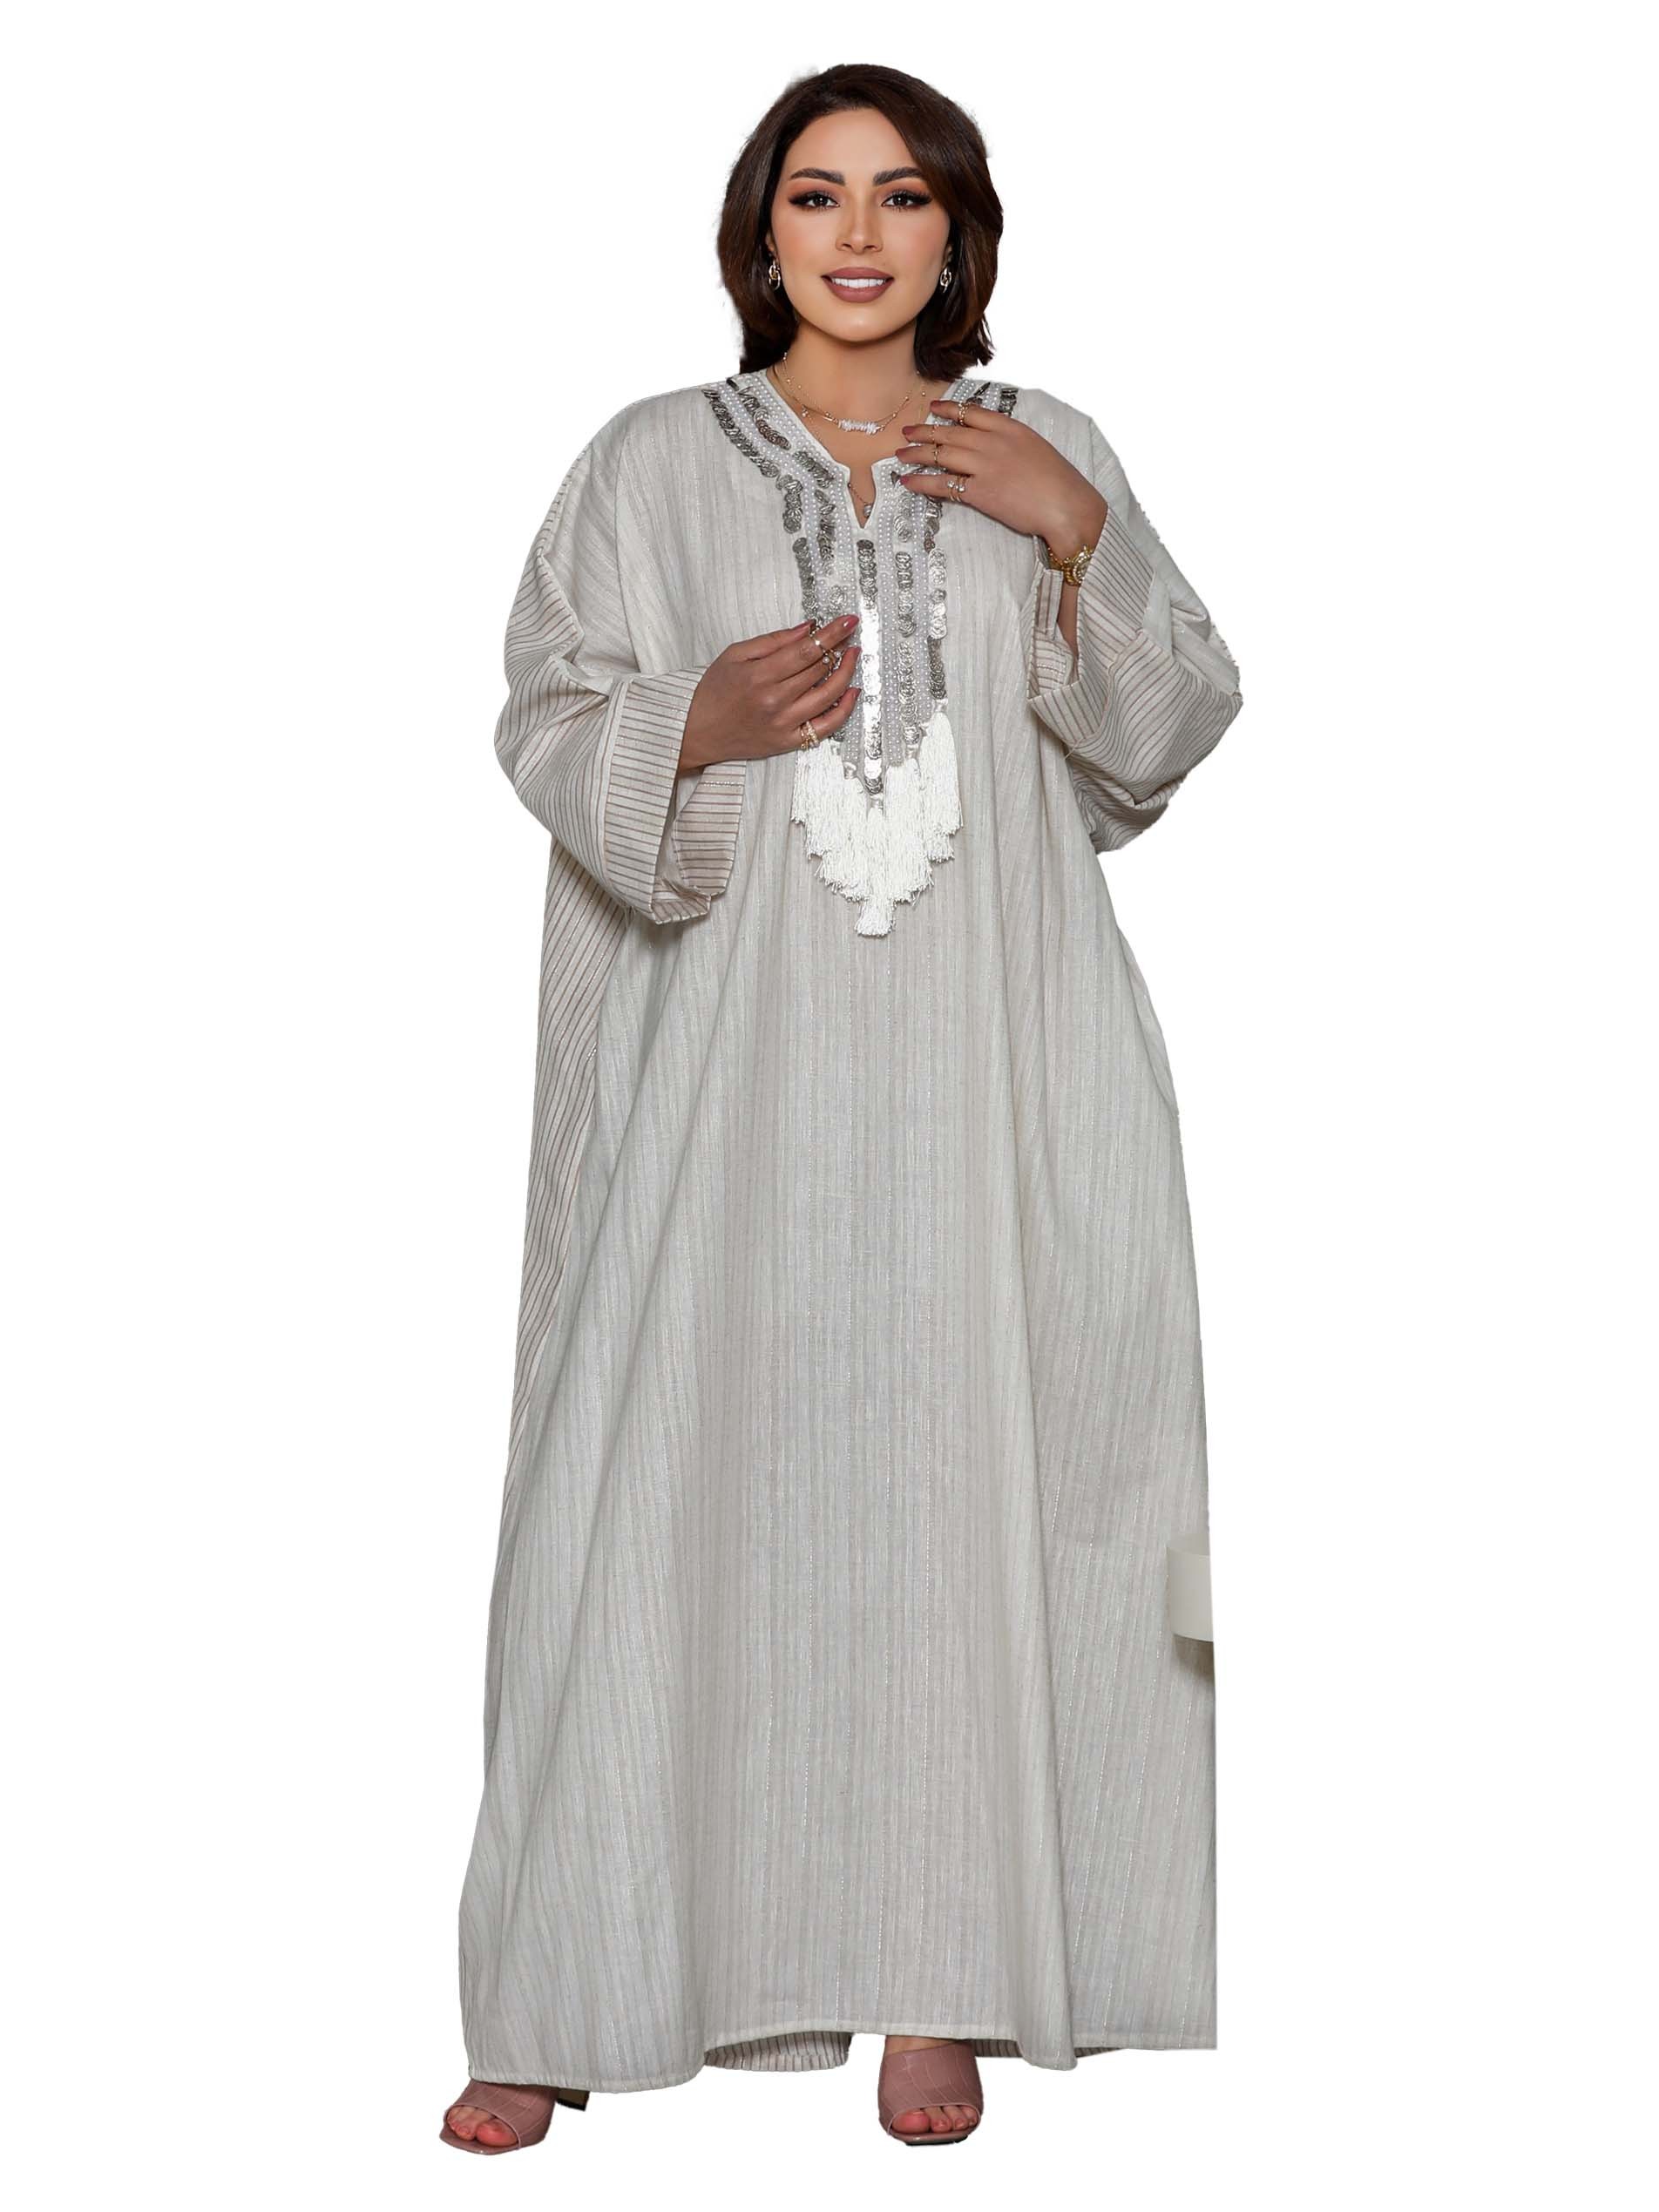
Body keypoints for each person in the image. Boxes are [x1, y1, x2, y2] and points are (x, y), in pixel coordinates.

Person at [442, 61, 1243, 2155]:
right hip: (727, 1076)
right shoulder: (649, 463)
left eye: (902, 196)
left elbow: (1159, 736)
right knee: (651, 1483)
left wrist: (1072, 533)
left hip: (997, 1062)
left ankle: (946, 1980)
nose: (860, 234)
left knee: (978, 1473)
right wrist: (690, 721)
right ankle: (573, 1981)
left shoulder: (1043, 446)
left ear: (957, 233)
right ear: (761, 231)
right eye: (817, 195)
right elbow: (544, 712)